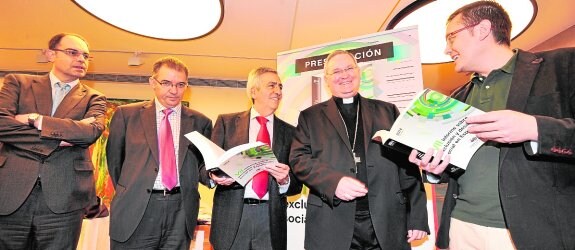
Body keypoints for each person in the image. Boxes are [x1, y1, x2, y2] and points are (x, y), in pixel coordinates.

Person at [410, 1, 575, 249]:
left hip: (537, 229)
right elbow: (455, 166)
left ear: (482, 29)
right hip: (462, 225)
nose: (447, 49)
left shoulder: (563, 65)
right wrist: (434, 168)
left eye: (451, 37)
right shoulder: (456, 99)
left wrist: (534, 128)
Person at [290, 50, 429, 250]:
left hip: (385, 220)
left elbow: (407, 164)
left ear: (358, 72)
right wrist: (333, 182)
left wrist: (417, 216)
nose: (344, 75)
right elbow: (299, 160)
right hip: (331, 222)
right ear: (327, 79)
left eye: (349, 68)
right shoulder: (310, 117)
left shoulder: (387, 111)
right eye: (336, 71)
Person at [0, 33, 106, 249]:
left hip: (65, 199)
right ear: (50, 54)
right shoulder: (18, 83)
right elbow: (2, 125)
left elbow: (90, 132)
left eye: (86, 55)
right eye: (72, 52)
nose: (81, 59)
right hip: (10, 193)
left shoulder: (94, 97)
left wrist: (36, 120)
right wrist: (63, 137)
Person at [106, 57, 212, 249]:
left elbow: (202, 165)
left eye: (180, 85)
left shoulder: (200, 122)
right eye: (166, 83)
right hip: (136, 208)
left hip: (180, 211)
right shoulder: (126, 115)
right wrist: (131, 191)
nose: (174, 90)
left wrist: (215, 175)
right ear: (152, 82)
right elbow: (115, 161)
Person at [208, 67, 302, 250]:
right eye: (271, 86)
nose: (278, 91)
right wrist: (213, 176)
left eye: (280, 86)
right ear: (253, 91)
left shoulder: (291, 132)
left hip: (270, 220)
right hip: (232, 218)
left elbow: (297, 185)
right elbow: (206, 165)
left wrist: (285, 180)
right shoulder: (226, 123)